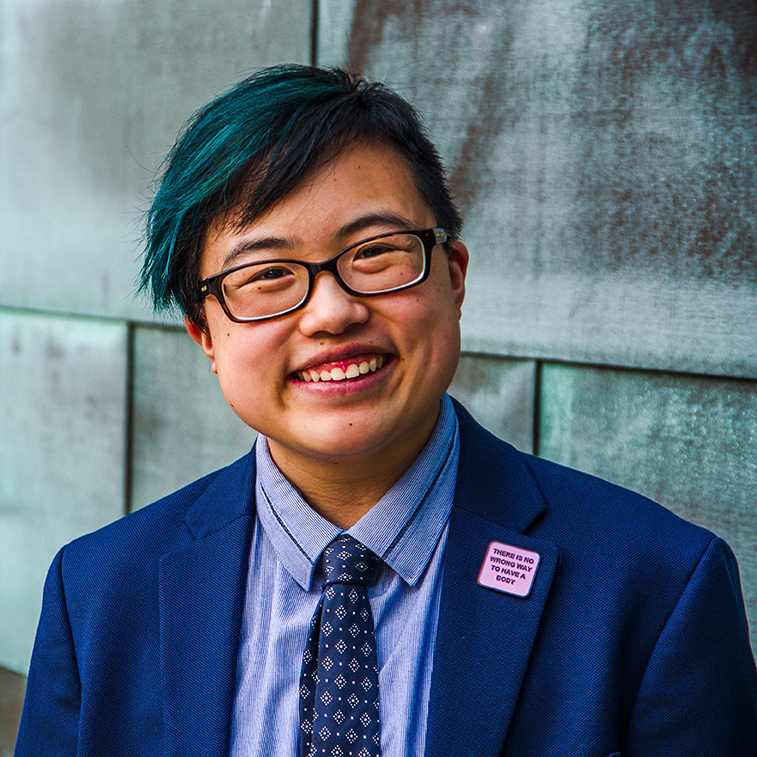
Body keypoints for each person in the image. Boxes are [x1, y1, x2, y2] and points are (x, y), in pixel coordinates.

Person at [15, 64, 757, 756]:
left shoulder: (655, 588)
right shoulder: (97, 594)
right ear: (206, 333)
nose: (332, 312)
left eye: (374, 253)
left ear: (453, 277)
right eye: (267, 273)